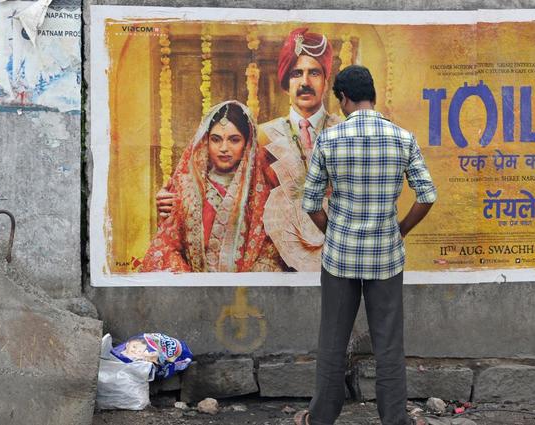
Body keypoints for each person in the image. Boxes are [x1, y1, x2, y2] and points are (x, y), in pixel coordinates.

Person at [296, 66, 437, 425]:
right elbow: (427, 195)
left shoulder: (329, 140)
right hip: (386, 258)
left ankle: (321, 418)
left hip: (340, 258)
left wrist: (334, 232)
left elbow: (311, 202)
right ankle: (394, 419)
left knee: (332, 342)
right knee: (388, 345)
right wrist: (400, 229)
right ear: (372, 95)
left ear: (343, 98)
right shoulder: (402, 138)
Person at [142, 100, 284, 272]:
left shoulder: (263, 192)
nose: (224, 148)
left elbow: (271, 252)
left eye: (234, 140)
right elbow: (166, 247)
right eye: (216, 140)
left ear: (247, 144)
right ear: (206, 142)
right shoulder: (186, 188)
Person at [257, 27, 342, 271]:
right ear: (286, 83)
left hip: (340, 257)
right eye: (297, 73)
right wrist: (172, 197)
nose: (305, 82)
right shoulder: (263, 135)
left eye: (314, 73)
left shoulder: (346, 132)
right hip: (278, 261)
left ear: (326, 81)